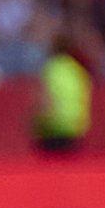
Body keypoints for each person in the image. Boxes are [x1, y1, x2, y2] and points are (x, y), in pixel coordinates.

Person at [31, 27, 94, 157]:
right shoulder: (77, 69)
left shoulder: (51, 68)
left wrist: (36, 123)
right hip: (75, 127)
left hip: (54, 126)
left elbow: (44, 100)